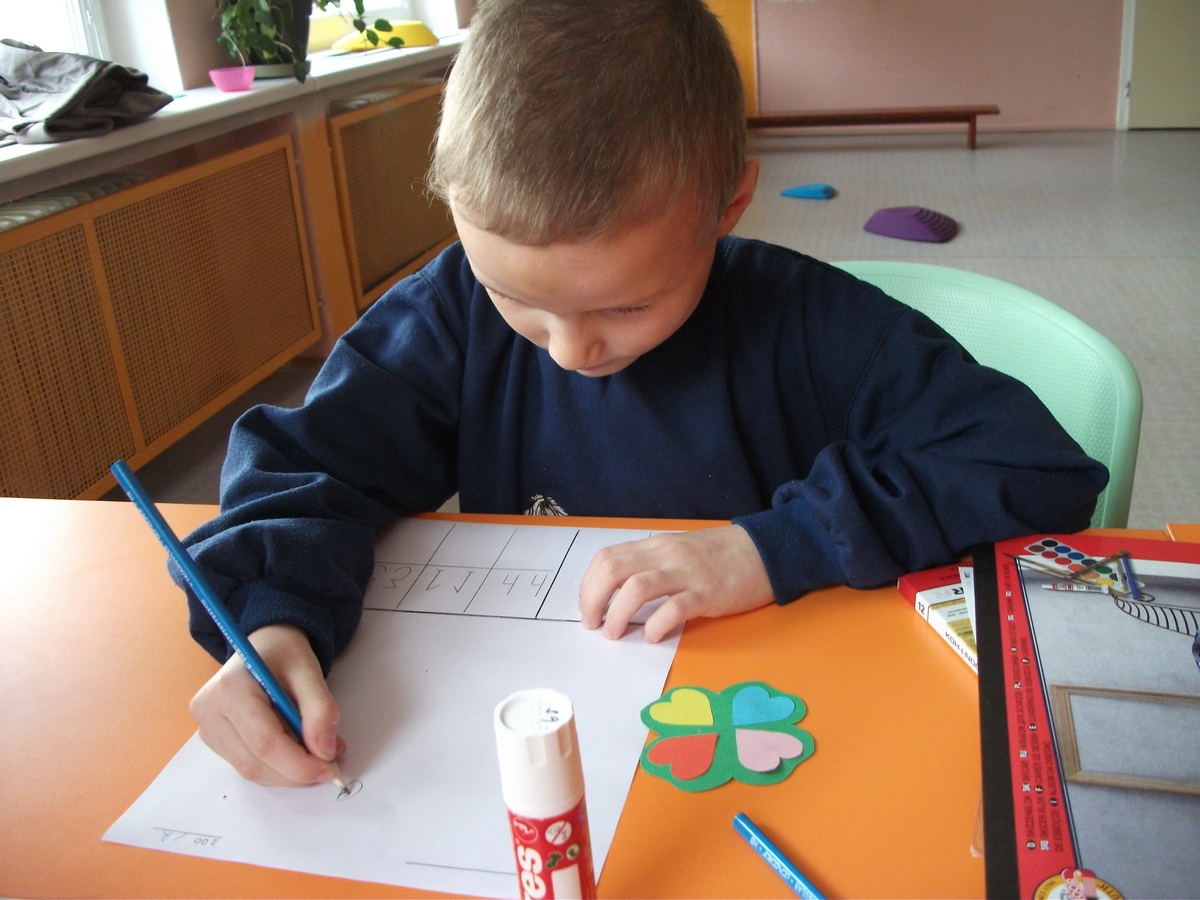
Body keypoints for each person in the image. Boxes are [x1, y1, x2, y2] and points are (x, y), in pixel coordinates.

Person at [177, 0, 1108, 787]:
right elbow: (308, 464)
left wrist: (770, 548)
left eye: (625, 305)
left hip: (787, 730)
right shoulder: (451, 313)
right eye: (517, 298)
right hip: (559, 728)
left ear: (728, 207)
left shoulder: (811, 326)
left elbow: (1034, 467)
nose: (570, 348)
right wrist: (276, 615)